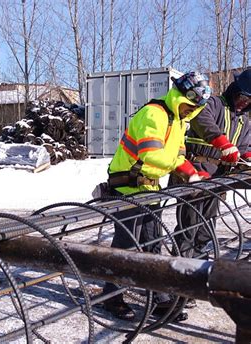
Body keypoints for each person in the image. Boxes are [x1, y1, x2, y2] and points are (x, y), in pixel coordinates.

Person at [101, 71, 212, 322]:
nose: (189, 111)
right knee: (127, 244)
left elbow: (178, 156)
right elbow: (150, 153)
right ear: (179, 95)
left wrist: (191, 173)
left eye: (193, 109)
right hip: (127, 186)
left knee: (152, 243)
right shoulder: (155, 113)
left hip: (149, 187)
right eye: (188, 105)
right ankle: (111, 297)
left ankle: (157, 299)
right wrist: (178, 166)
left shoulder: (179, 121)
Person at [172, 69, 251, 261]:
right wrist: (221, 142)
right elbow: (202, 121)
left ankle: (198, 269)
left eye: (249, 101)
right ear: (234, 90)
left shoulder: (243, 121)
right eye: (242, 97)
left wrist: (247, 156)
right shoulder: (213, 104)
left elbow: (244, 147)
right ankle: (179, 272)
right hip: (195, 175)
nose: (244, 102)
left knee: (206, 228)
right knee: (188, 227)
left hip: (217, 180)